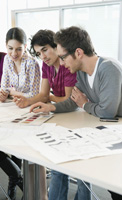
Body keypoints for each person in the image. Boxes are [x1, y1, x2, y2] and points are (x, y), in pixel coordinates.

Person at [30, 26, 122, 200]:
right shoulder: (82, 74)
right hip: (110, 129)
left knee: (118, 189)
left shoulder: (109, 68)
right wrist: (51, 107)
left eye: (63, 57)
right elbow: (73, 101)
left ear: (78, 53)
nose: (61, 63)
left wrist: (85, 105)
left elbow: (107, 111)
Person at [13, 29, 77, 200]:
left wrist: (49, 98)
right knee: (52, 160)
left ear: (56, 46)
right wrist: (27, 101)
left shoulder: (67, 65)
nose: (43, 56)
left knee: (59, 164)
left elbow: (68, 100)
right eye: (39, 52)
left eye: (45, 49)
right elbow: (43, 94)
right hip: (58, 114)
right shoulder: (46, 65)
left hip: (74, 115)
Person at [0, 27, 40, 200]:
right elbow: (4, 87)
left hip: (29, 111)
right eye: (10, 48)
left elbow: (36, 94)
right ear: (6, 46)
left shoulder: (32, 63)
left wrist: (12, 93)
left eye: (18, 48)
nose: (13, 53)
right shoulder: (7, 61)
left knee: (16, 147)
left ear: (24, 46)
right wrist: (4, 93)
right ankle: (16, 178)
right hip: (11, 110)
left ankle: (14, 182)